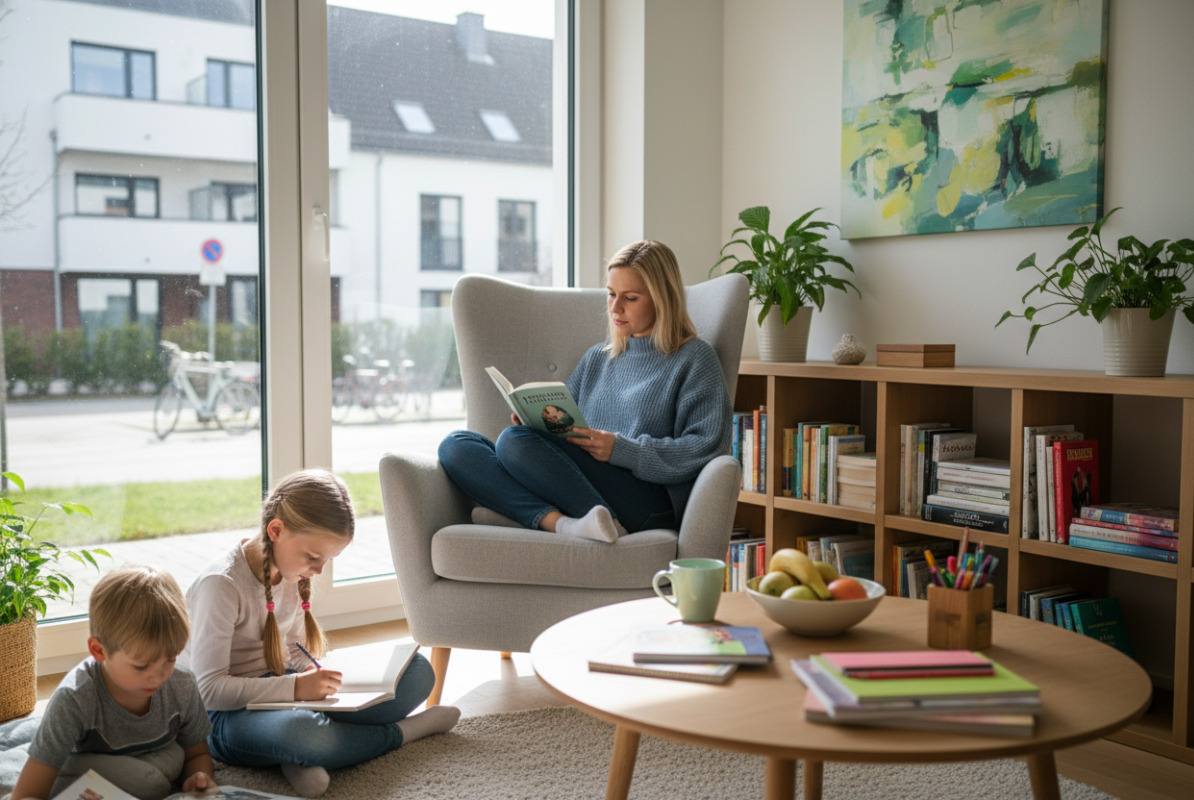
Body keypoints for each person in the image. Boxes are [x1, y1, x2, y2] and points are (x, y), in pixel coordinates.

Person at [179, 469, 459, 798]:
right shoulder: (222, 585)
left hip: (281, 693)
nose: (319, 569)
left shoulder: (288, 568)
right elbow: (209, 691)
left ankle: (297, 757)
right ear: (276, 530)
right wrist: (297, 688)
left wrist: (320, 677)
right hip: (223, 716)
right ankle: (402, 732)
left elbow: (295, 652)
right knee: (304, 734)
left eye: (327, 559)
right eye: (313, 557)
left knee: (419, 673)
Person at [439, 239, 732, 543]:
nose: (615, 308)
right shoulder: (598, 358)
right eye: (611, 295)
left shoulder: (695, 358)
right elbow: (564, 426)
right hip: (583, 483)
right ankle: (566, 524)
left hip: (648, 500)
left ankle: (591, 518)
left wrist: (622, 449)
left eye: (630, 298)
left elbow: (706, 445)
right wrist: (534, 421)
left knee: (513, 442)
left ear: (662, 299)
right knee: (456, 446)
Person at [11, 566, 215, 800]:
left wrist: (199, 778)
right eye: (141, 666)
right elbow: (27, 794)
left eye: (170, 659)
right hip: (84, 759)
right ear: (99, 651)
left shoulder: (183, 684)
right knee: (148, 781)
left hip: (154, 755)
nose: (158, 676)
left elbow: (196, 754)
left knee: (171, 761)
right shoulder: (74, 698)